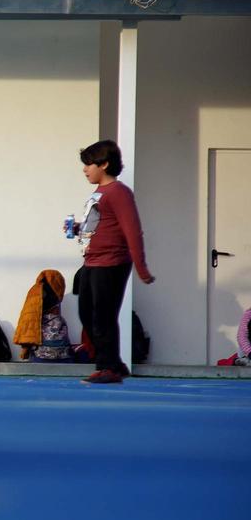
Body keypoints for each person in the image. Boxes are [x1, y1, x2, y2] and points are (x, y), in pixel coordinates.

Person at [72, 140, 155, 384]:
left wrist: (141, 267)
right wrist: (78, 228)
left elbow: (132, 229)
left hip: (111, 261)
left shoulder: (119, 192)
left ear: (104, 164)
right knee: (86, 313)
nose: (85, 169)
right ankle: (115, 363)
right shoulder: (99, 193)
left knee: (103, 316)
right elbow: (100, 225)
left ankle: (107, 366)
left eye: (89, 164)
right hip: (92, 260)